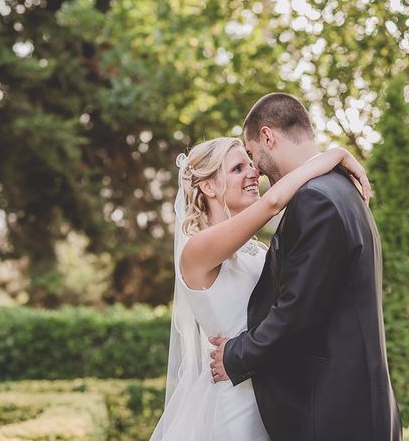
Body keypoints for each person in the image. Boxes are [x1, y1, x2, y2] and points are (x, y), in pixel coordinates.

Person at [150, 135, 371, 441]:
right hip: (236, 399)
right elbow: (274, 201)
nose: (253, 173)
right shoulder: (196, 251)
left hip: (275, 394)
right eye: (238, 168)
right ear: (208, 187)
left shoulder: (255, 249)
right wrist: (337, 155)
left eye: (251, 165)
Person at [209, 93, 403, 440]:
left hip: (333, 414)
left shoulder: (315, 199)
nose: (256, 169)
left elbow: (297, 312)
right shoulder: (341, 189)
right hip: (354, 408)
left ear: (268, 137)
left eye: (252, 155)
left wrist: (236, 354)